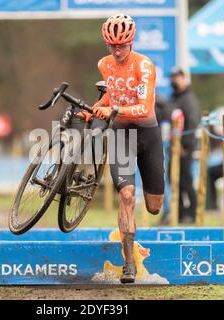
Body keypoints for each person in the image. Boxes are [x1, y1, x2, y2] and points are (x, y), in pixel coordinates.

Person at [91, 14, 164, 283]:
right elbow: (114, 92)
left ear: (131, 42)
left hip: (148, 133)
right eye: (112, 45)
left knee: (154, 206)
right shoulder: (104, 64)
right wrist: (99, 107)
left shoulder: (144, 66)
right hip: (121, 132)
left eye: (122, 45)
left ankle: (151, 206)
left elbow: (144, 108)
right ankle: (129, 264)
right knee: (127, 195)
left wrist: (112, 108)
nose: (117, 51)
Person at [168, 67, 201, 223]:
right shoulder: (174, 98)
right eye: (172, 77)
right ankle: (179, 213)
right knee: (173, 179)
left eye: (177, 77)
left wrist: (184, 146)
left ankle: (192, 214)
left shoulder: (189, 99)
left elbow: (192, 123)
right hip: (174, 146)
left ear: (184, 78)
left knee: (186, 181)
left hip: (184, 148)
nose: (174, 80)